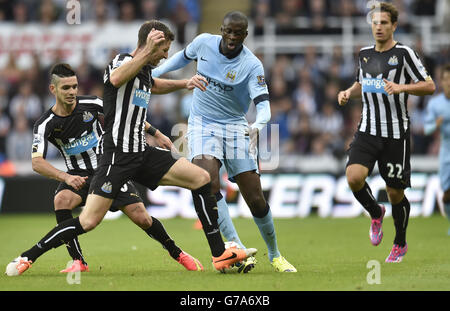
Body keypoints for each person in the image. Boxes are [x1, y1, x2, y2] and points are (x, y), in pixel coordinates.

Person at [6, 20, 256, 276]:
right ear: (150, 43)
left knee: (202, 179)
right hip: (117, 156)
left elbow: (153, 85)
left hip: (142, 152)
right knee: (88, 221)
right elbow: (116, 78)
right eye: (163, 49)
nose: (166, 55)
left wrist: (184, 84)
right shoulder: (121, 61)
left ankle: (219, 254)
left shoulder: (145, 71)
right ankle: (28, 256)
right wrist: (148, 51)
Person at [152, 11, 296, 272]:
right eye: (228, 31)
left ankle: (275, 254)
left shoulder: (251, 65)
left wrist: (258, 125)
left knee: (255, 198)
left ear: (245, 35)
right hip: (202, 124)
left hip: (235, 126)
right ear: (221, 29)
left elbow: (263, 106)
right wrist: (156, 71)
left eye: (238, 33)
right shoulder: (203, 43)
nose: (232, 37)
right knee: (208, 182)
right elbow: (180, 58)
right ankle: (236, 249)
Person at [30, 63, 203, 273]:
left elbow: (126, 116)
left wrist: (156, 133)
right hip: (77, 176)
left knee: (142, 217)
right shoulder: (44, 123)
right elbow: (37, 162)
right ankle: (78, 261)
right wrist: (65, 177)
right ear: (53, 89)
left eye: (74, 86)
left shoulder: (92, 103)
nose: (72, 92)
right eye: (66, 88)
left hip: (108, 168)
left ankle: (177, 253)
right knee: (62, 200)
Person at [337, 2, 435, 263]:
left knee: (395, 193)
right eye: (375, 22)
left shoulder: (405, 54)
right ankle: (375, 212)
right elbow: (362, 83)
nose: (378, 27)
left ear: (394, 25)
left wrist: (402, 88)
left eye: (383, 23)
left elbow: (429, 85)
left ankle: (400, 242)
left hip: (395, 133)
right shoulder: (364, 53)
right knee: (354, 177)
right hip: (368, 129)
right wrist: (348, 92)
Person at [424, 63, 450, 235]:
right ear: (441, 82)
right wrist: (436, 124)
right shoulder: (435, 104)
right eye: (446, 79)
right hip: (446, 152)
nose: (448, 83)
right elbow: (426, 129)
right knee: (447, 195)